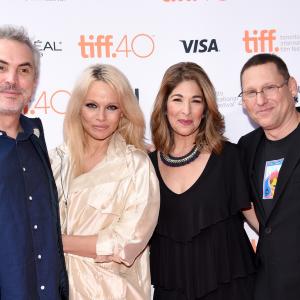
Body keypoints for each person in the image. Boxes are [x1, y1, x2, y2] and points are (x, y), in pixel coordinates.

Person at [50, 63, 160, 300]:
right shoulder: (55, 160)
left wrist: (55, 242)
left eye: (111, 107)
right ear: (78, 108)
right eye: (92, 105)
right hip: (58, 289)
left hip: (114, 293)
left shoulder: (136, 165)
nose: (101, 117)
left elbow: (126, 243)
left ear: (123, 112)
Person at [149, 62, 256, 300]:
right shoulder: (145, 167)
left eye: (196, 101)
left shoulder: (229, 158)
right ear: (164, 107)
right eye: (177, 99)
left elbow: (261, 224)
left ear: (206, 109)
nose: (186, 111)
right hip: (171, 291)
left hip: (230, 290)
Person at [0, 25, 68, 299]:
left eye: (23, 70)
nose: (12, 80)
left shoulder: (36, 141)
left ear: (34, 81)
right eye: (1, 68)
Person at [238, 53, 300, 300]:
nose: (260, 100)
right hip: (268, 286)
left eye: (269, 88)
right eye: (251, 93)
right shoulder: (246, 148)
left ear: (292, 87)